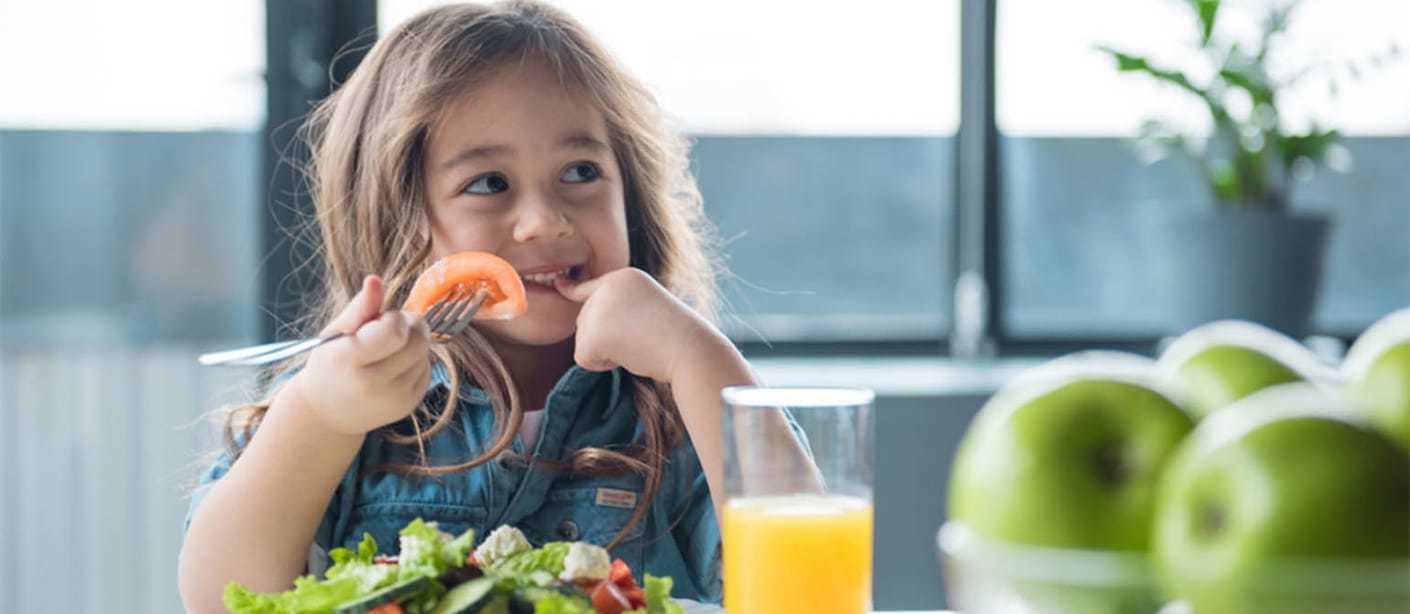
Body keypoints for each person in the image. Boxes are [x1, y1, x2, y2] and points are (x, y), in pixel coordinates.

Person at [177, 2, 812, 611]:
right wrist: (319, 416)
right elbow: (224, 598)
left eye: (581, 172)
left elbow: (811, 590)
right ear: (397, 220)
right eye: (488, 184)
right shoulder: (343, 398)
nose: (543, 221)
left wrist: (700, 360)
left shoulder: (676, 411)